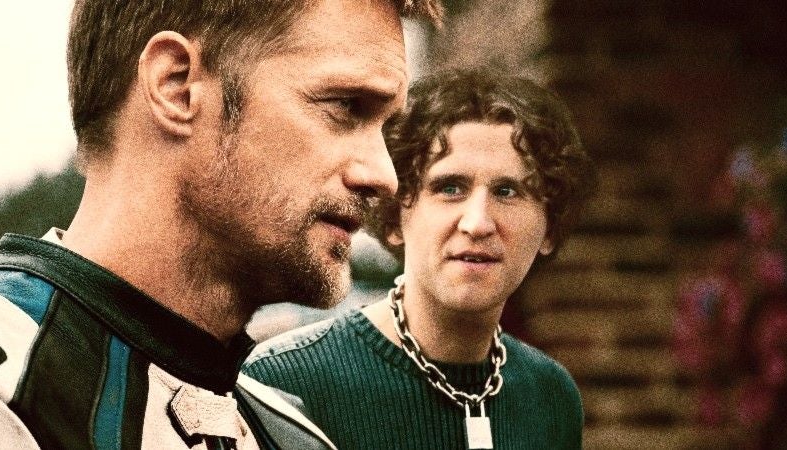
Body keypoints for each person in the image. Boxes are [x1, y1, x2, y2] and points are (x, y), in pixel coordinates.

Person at [0, 0, 442, 449]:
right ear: (176, 87)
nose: (384, 176)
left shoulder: (293, 436)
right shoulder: (11, 391)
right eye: (346, 106)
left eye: (385, 127)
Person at [243, 68, 597, 449]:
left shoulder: (551, 397)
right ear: (395, 216)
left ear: (548, 229)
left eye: (507, 191)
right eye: (450, 188)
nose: (477, 223)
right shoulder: (285, 384)